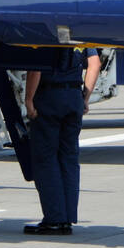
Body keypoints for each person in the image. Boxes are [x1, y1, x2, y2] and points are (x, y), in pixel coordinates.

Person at [24, 46, 101, 235]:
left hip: (49, 97)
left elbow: (36, 69)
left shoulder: (46, 31)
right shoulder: (78, 31)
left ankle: (54, 218)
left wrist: (29, 100)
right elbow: (95, 64)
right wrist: (85, 97)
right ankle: (67, 217)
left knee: (46, 158)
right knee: (69, 158)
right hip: (73, 96)